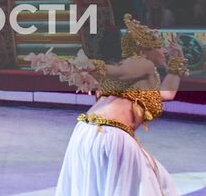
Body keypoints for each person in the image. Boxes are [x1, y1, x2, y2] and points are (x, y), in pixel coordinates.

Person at [27, 15, 187, 196]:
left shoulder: (144, 76)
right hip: (109, 135)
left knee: (157, 180)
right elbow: (119, 73)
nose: (164, 50)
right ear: (143, 51)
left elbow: (167, 93)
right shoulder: (144, 63)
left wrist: (177, 61)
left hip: (89, 133)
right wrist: (88, 66)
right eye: (159, 46)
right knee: (153, 184)